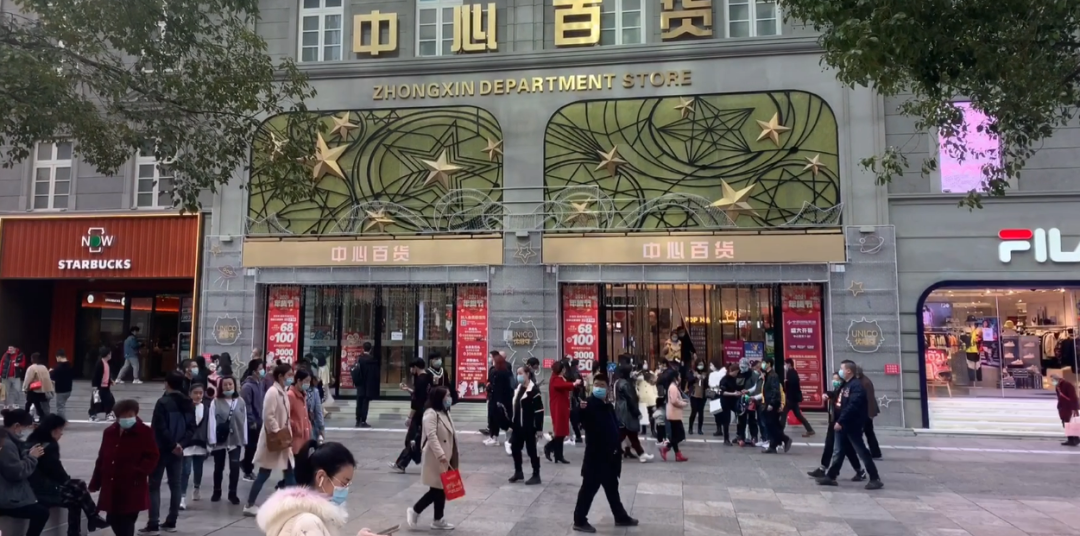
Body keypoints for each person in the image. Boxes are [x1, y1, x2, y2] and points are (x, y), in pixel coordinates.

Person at [256, 440, 371, 536]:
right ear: (321, 477)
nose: (346, 489)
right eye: (344, 482)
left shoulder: (305, 515)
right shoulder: (308, 523)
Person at [571, 374, 638, 533]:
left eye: (602, 385)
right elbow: (575, 418)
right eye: (597, 385)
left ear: (607, 388)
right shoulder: (588, 404)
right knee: (588, 488)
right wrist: (579, 409)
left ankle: (620, 516)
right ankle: (579, 520)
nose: (599, 388)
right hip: (595, 456)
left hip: (610, 456)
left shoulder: (607, 405)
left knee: (612, 487)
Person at [27, 414, 109, 536]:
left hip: (34, 488)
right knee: (77, 488)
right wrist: (68, 482)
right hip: (44, 491)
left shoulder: (33, 441)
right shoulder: (49, 445)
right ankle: (90, 519)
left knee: (76, 494)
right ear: (54, 430)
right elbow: (57, 472)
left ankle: (82, 526)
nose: (61, 433)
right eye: (61, 429)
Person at [89, 400, 158, 536]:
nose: (127, 419)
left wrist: (138, 471)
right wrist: (95, 482)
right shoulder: (109, 432)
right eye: (123, 416)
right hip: (111, 485)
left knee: (126, 520)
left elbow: (153, 456)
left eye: (130, 415)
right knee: (112, 519)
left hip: (132, 486)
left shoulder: (144, 432)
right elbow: (102, 458)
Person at [816, 361, 883, 490]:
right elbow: (838, 396)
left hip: (852, 424)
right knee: (840, 450)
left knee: (861, 451)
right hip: (843, 423)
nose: (840, 371)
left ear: (848, 371)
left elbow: (852, 406)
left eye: (842, 368)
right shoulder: (845, 384)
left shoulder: (856, 386)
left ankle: (874, 478)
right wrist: (828, 395)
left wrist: (841, 421)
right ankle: (831, 476)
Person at [144, 371, 195, 534]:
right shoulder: (188, 402)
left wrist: (172, 444)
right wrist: (180, 444)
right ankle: (171, 521)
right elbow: (192, 428)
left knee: (154, 485)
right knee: (176, 485)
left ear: (167, 383)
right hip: (178, 450)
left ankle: (153, 523)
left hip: (161, 448)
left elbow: (159, 427)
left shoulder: (163, 402)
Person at [245, 363, 298, 515]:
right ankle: (249, 504)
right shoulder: (273, 392)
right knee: (264, 473)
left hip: (283, 439)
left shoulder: (283, 391)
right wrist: (278, 432)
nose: (291, 378)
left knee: (289, 471)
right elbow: (268, 417)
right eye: (289, 375)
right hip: (274, 440)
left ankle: (295, 504)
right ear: (280, 376)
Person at [406, 386, 458, 531]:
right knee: (436, 489)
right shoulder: (430, 414)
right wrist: (441, 454)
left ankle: (438, 519)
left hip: (445, 456)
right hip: (435, 457)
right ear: (439, 397)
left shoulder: (444, 412)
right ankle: (415, 510)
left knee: (440, 488)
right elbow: (431, 436)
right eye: (447, 396)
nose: (449, 398)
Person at [0, 408, 48, 536]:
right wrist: (32, 457)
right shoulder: (7, 444)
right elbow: (16, 472)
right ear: (16, 426)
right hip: (6, 499)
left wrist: (27, 454)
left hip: (7, 495)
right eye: (26, 427)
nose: (27, 431)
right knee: (42, 512)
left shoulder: (8, 441)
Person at [808, 372, 864, 481]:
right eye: (833, 379)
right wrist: (827, 394)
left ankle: (857, 471)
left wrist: (841, 421)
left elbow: (848, 406)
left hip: (841, 423)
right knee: (830, 445)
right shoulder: (839, 389)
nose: (834, 381)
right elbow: (833, 393)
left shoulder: (848, 389)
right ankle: (823, 468)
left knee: (845, 449)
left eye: (837, 379)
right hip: (834, 422)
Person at [208, 376, 248, 503]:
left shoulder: (240, 401)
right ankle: (217, 491)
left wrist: (244, 438)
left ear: (235, 386)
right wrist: (212, 439)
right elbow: (211, 421)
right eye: (225, 385)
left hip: (236, 439)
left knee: (234, 467)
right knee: (218, 467)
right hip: (220, 439)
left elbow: (244, 421)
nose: (228, 387)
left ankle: (232, 493)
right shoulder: (215, 402)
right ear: (221, 387)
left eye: (230, 384)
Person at [507, 366, 545, 485]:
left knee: (532, 450)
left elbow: (539, 411)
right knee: (515, 448)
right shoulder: (519, 388)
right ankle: (518, 471)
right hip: (518, 426)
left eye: (520, 373)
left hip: (529, 426)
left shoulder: (534, 390)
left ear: (527, 374)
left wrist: (539, 429)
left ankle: (536, 474)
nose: (518, 376)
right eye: (517, 373)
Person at [391, 359, 430, 473]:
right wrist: (408, 389)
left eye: (411, 368)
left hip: (419, 414)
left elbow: (416, 401)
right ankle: (402, 463)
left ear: (415, 367)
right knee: (415, 439)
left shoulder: (420, 380)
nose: (410, 370)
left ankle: (405, 462)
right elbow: (420, 394)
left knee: (412, 439)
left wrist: (409, 417)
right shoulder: (428, 377)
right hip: (426, 412)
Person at [179, 383, 210, 511]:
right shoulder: (184, 408)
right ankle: (182, 497)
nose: (198, 395)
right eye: (195, 393)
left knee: (198, 468)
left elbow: (210, 425)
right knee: (185, 470)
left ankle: (196, 487)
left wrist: (210, 442)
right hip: (187, 443)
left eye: (200, 393)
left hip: (200, 442)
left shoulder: (206, 408)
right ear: (190, 394)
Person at [614, 364, 651, 462]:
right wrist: (637, 412)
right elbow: (630, 399)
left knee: (631, 434)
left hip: (622, 411)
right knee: (623, 434)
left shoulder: (620, 382)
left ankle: (641, 454)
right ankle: (612, 454)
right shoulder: (625, 384)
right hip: (627, 413)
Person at [545, 361, 576, 464]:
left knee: (561, 432)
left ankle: (557, 454)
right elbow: (562, 386)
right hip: (558, 407)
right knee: (560, 432)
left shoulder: (559, 378)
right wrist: (573, 384)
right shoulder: (555, 379)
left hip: (562, 406)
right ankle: (551, 449)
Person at [241, 358, 267, 480]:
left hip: (259, 420)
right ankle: (247, 470)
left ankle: (245, 464)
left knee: (256, 447)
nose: (262, 371)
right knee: (251, 447)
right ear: (254, 371)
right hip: (252, 422)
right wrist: (251, 421)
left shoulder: (260, 383)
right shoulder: (247, 386)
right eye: (260, 369)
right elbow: (247, 405)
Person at [759, 357, 791, 454]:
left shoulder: (773, 375)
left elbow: (775, 390)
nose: (762, 364)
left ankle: (785, 439)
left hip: (772, 403)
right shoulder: (768, 375)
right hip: (768, 402)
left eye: (764, 363)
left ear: (769, 364)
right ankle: (773, 446)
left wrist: (772, 403)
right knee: (773, 425)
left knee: (771, 425)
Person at [484, 352, 514, 447]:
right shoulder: (496, 371)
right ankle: (493, 436)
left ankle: (500, 436)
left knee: (498, 418)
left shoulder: (501, 372)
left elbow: (499, 387)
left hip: (498, 399)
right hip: (494, 398)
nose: (490, 360)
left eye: (492, 359)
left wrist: (490, 388)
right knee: (492, 418)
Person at [660, 371, 688, 462]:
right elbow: (674, 401)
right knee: (680, 435)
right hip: (674, 415)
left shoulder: (673, 386)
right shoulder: (673, 387)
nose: (680, 378)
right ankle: (666, 448)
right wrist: (683, 404)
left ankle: (677, 454)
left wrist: (682, 400)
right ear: (675, 377)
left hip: (674, 414)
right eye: (679, 376)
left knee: (676, 435)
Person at [783, 358, 815, 437]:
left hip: (791, 398)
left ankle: (779, 432)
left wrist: (786, 382)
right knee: (798, 415)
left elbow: (792, 385)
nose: (785, 366)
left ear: (789, 364)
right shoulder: (792, 372)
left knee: (783, 414)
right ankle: (810, 429)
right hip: (793, 398)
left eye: (785, 364)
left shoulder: (791, 372)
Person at [351, 342, 378, 428]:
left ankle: (357, 420)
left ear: (363, 348)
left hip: (360, 384)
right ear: (370, 349)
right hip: (368, 385)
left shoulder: (359, 359)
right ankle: (363, 421)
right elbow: (375, 375)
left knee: (359, 402)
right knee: (365, 403)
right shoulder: (373, 360)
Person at [857, 366, 882, 459]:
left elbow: (870, 399)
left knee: (862, 433)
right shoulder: (862, 381)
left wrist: (870, 414)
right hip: (865, 411)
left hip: (866, 412)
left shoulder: (865, 382)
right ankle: (875, 453)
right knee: (868, 432)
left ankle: (871, 452)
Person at [733, 358, 758, 445]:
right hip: (740, 399)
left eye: (744, 367)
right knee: (741, 419)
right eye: (741, 366)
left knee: (752, 419)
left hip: (750, 399)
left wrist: (749, 393)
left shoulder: (753, 374)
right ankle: (740, 436)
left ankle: (754, 437)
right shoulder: (738, 374)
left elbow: (757, 386)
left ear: (748, 366)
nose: (742, 368)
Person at [715, 364, 742, 445]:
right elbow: (722, 392)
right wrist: (733, 394)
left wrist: (738, 392)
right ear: (731, 371)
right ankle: (726, 439)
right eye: (735, 372)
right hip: (725, 401)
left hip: (734, 401)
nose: (736, 374)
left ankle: (739, 435)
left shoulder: (734, 379)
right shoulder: (724, 380)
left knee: (740, 415)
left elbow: (736, 388)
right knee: (726, 420)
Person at [289, 370, 314, 456]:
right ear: (298, 380)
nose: (308, 384)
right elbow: (285, 416)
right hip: (295, 439)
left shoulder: (303, 395)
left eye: (309, 381)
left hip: (304, 439)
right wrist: (295, 426)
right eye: (306, 381)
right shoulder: (290, 395)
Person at [23, 352, 54, 419]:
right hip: (43, 389)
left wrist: (25, 388)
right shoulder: (44, 367)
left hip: (34, 389)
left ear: (32, 359)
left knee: (29, 403)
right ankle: (42, 417)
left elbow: (28, 379)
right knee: (37, 404)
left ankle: (25, 417)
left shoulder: (31, 368)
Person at [1054, 374, 1080, 446]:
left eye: (1053, 380)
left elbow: (1073, 397)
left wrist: (1074, 408)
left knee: (1071, 424)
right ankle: (1071, 440)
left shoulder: (1067, 385)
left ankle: (1075, 439)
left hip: (1069, 408)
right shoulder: (1058, 386)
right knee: (1066, 424)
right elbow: (1059, 398)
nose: (1053, 381)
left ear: (1058, 379)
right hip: (1063, 408)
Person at [50, 350, 74, 418]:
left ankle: (62, 421)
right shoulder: (70, 365)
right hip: (68, 389)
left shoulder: (58, 367)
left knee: (60, 407)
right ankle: (63, 420)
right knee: (62, 406)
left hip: (61, 390)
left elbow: (52, 377)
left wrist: (51, 372)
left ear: (59, 357)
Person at [687, 357, 708, 435]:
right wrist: (695, 377)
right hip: (694, 394)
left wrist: (705, 379)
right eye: (699, 364)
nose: (700, 366)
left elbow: (708, 384)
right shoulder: (692, 372)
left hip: (703, 395)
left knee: (701, 413)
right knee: (694, 411)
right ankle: (690, 428)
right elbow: (689, 380)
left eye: (702, 364)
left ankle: (700, 429)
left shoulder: (706, 373)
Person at [305, 372, 325, 442]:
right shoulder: (292, 392)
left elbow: (318, 410)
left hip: (311, 425)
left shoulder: (314, 391)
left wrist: (321, 427)